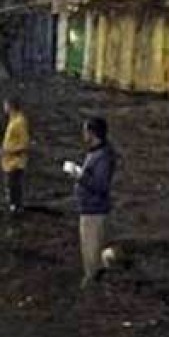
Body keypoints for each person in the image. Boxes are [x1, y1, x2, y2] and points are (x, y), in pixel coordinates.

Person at [63, 117, 116, 288]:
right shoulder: (98, 152)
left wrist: (79, 175)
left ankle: (92, 286)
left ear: (92, 133)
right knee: (94, 251)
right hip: (91, 209)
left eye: (85, 131)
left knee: (91, 254)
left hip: (94, 211)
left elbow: (100, 185)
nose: (83, 134)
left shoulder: (103, 156)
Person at [0, 96, 30, 213]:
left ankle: (17, 209)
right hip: (9, 162)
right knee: (12, 189)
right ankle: (14, 207)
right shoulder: (12, 120)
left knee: (15, 188)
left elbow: (24, 144)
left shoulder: (19, 122)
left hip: (16, 163)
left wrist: (7, 151)